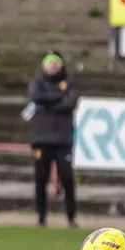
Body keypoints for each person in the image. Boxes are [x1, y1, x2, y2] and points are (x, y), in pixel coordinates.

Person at [27, 51, 79, 228]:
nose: (53, 66)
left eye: (56, 63)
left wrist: (48, 103)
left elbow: (70, 102)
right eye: (49, 63)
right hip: (41, 139)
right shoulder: (37, 82)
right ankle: (41, 217)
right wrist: (58, 98)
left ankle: (71, 217)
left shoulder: (69, 83)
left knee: (67, 179)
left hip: (63, 140)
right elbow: (36, 97)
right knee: (41, 178)